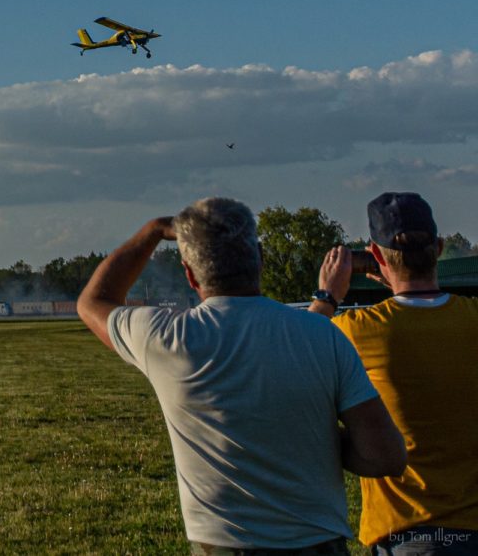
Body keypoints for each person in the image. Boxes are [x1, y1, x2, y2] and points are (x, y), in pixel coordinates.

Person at [78, 197, 406, 554]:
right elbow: (385, 456)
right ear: (260, 260)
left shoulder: (167, 338)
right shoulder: (323, 334)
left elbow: (94, 301)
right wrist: (313, 440)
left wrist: (154, 230)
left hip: (222, 545)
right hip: (318, 542)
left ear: (190, 275)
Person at [314, 192, 478, 554]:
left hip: (407, 530)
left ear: (375, 255)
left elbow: (291, 353)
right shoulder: (472, 317)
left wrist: (326, 295)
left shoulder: (357, 328)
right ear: (437, 247)